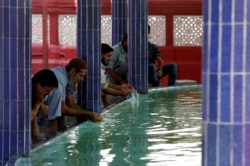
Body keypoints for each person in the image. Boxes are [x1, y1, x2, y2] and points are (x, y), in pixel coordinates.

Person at [45, 58, 102, 137]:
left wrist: (90, 114)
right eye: (81, 76)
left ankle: (61, 128)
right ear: (72, 71)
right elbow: (63, 109)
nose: (82, 80)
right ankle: (49, 133)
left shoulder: (67, 77)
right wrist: (88, 114)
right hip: (39, 106)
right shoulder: (60, 80)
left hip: (47, 104)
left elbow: (70, 103)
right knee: (52, 128)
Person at [31, 69, 58, 144]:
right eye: (47, 90)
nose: (48, 94)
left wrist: (41, 104)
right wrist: (38, 104)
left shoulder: (37, 96)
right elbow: (27, 118)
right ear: (38, 86)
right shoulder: (25, 95)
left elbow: (38, 115)